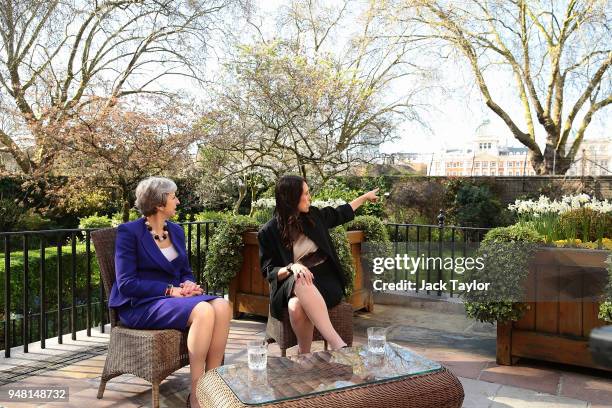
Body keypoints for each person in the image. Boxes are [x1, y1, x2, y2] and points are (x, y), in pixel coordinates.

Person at [108, 177, 231, 408]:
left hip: (172, 299)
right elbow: (126, 283)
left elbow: (184, 271)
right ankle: (197, 394)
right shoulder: (129, 232)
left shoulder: (175, 231)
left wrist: (188, 285)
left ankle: (212, 386)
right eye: (173, 197)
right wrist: (169, 290)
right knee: (204, 310)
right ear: (159, 203)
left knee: (223, 306)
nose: (178, 201)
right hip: (140, 304)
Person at [258, 175, 379, 354]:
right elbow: (269, 271)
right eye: (305, 193)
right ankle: (339, 346)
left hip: (326, 281)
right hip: (290, 282)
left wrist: (364, 197)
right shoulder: (268, 231)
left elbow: (340, 213)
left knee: (295, 306)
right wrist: (292, 267)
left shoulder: (313, 215)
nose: (310, 197)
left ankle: (305, 355)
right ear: (291, 198)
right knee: (300, 278)